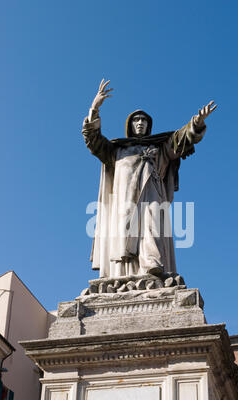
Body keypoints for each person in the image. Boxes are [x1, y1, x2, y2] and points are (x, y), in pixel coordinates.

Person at [82, 79, 216, 278]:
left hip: (153, 192)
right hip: (124, 198)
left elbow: (179, 140)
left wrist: (196, 123)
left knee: (153, 223)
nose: (140, 123)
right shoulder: (117, 149)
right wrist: (94, 109)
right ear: (130, 125)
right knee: (126, 232)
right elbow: (93, 141)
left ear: (149, 125)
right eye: (136, 120)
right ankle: (122, 276)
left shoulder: (159, 148)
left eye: (144, 120)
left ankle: (152, 265)